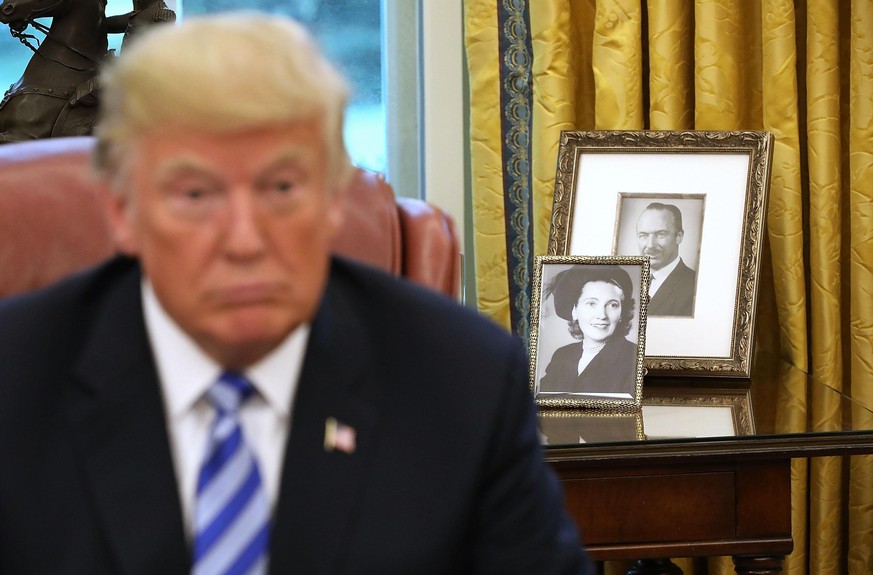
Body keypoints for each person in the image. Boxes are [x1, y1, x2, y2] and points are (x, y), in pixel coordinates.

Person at [0, 13, 594, 575]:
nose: (244, 240)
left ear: (336, 199)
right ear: (122, 210)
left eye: (282, 187)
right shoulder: (16, 381)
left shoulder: (463, 382)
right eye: (195, 195)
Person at [539, 265, 639, 397]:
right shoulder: (562, 356)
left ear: (621, 313)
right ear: (574, 310)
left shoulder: (633, 358)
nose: (602, 315)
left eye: (612, 305)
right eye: (591, 303)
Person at [636, 202, 697, 317]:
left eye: (660, 234)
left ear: (679, 237)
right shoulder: (628, 280)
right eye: (643, 235)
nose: (650, 245)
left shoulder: (695, 287)